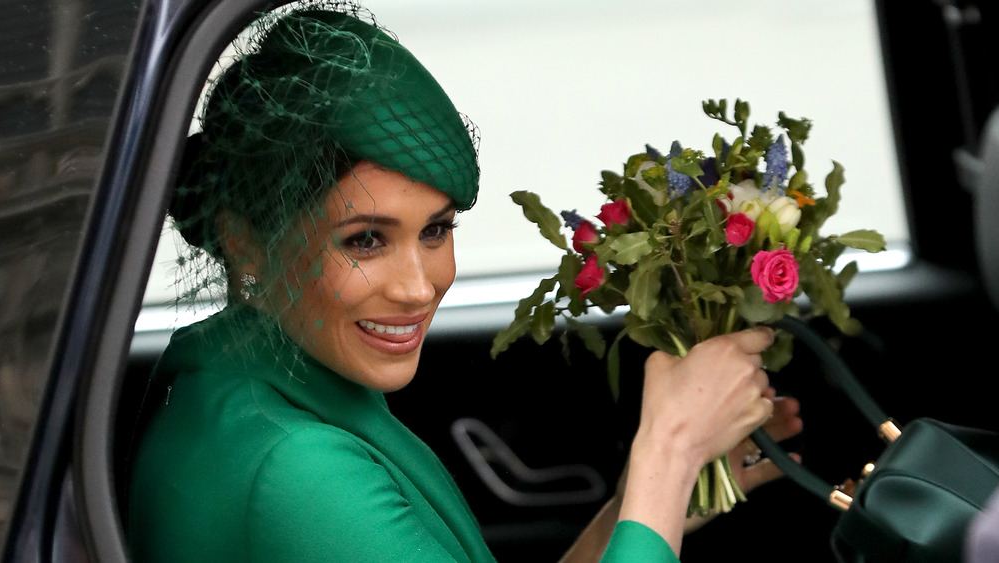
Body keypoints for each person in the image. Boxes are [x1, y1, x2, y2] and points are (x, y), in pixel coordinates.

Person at [126, 3, 802, 561]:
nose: (420, 287)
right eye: (365, 239)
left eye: (435, 231)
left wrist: (644, 506)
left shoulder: (245, 384)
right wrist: (671, 447)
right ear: (246, 238)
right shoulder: (297, 470)